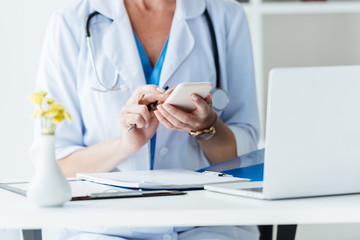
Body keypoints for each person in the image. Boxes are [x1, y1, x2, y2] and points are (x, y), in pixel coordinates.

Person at [30, 0, 260, 239]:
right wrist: (125, 145)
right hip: (103, 226)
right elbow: (56, 165)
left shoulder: (225, 15)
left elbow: (246, 159)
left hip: (206, 223)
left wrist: (206, 127)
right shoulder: (71, 22)